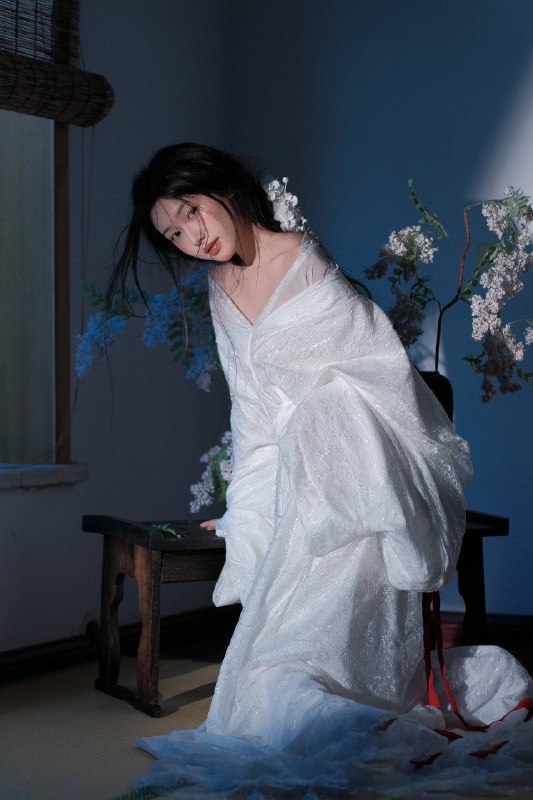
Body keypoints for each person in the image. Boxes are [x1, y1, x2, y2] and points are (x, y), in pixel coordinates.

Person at [108, 143, 533, 798]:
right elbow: (253, 414)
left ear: (221, 187)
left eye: (191, 212)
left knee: (323, 415)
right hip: (300, 484)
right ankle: (364, 726)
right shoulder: (221, 289)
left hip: (362, 473)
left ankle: (371, 726)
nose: (192, 237)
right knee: (267, 683)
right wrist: (247, 511)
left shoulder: (305, 262)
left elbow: (383, 379)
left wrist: (333, 442)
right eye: (174, 234)